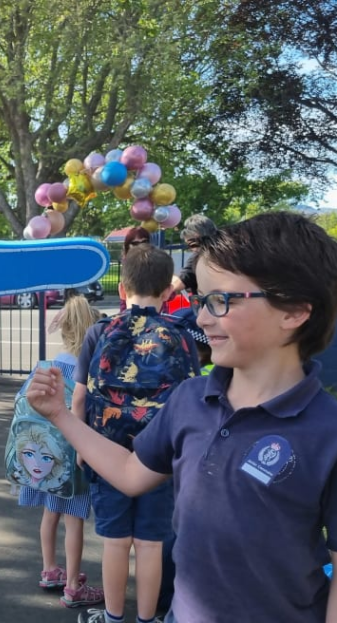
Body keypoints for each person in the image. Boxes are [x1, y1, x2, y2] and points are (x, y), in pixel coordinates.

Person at [26, 212, 337, 622]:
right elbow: (131, 473)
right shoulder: (188, 400)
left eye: (221, 301)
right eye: (203, 300)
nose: (201, 318)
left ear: (292, 311)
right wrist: (60, 415)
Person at [69, 244, 199, 623]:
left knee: (115, 540)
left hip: (107, 454)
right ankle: (147, 619)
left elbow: (79, 399)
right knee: (150, 542)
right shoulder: (181, 334)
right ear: (167, 292)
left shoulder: (99, 332)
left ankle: (112, 618)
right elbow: (191, 395)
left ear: (122, 289)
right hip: (159, 458)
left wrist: (82, 447)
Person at [18, 295, 104, 608]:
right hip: (74, 460)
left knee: (49, 514)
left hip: (46, 460)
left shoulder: (45, 368)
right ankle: (72, 587)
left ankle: (50, 570)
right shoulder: (88, 376)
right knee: (75, 520)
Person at [169, 214, 216, 295]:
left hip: (207, 304)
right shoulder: (225, 251)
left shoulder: (200, 256)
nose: (191, 249)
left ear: (196, 235)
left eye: (191, 245)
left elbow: (175, 286)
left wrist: (167, 273)